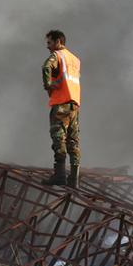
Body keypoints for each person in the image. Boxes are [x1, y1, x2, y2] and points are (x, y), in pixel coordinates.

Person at [42, 29, 81, 187]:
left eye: (49, 42)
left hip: (61, 104)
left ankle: (59, 176)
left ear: (58, 42)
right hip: (74, 106)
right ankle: (74, 179)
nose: (48, 46)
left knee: (59, 139)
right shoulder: (75, 59)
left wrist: (49, 86)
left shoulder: (57, 56)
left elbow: (46, 67)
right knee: (73, 141)